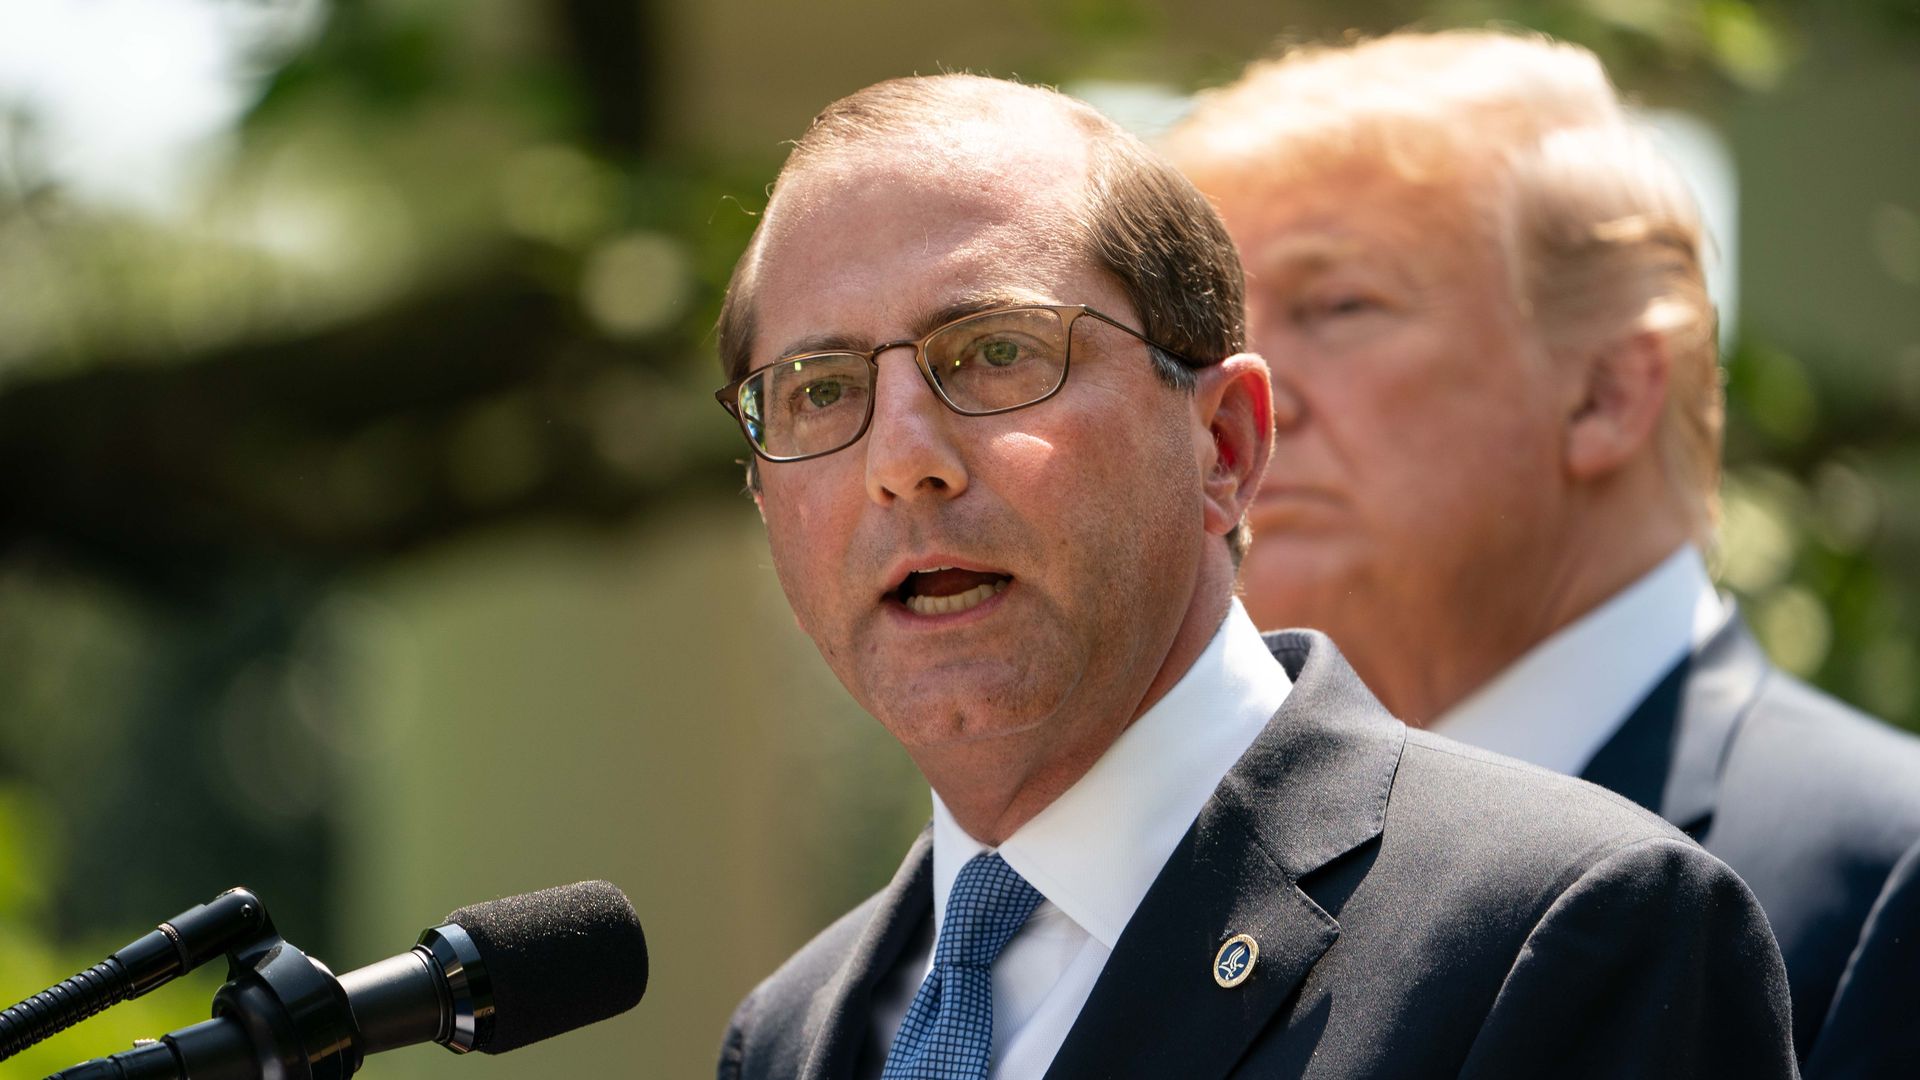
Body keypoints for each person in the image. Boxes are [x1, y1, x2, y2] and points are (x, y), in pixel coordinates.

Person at [711, 73, 1793, 1080]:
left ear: (1223, 445)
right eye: (817, 391)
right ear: (764, 494)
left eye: (997, 352)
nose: (903, 461)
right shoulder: (792, 1033)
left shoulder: (1566, 934)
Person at [1170, 29, 1920, 1077]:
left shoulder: (1891, 873)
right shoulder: (1183, 879)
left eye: (1338, 306)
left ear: (1606, 394)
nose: (1240, 402)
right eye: (1216, 335)